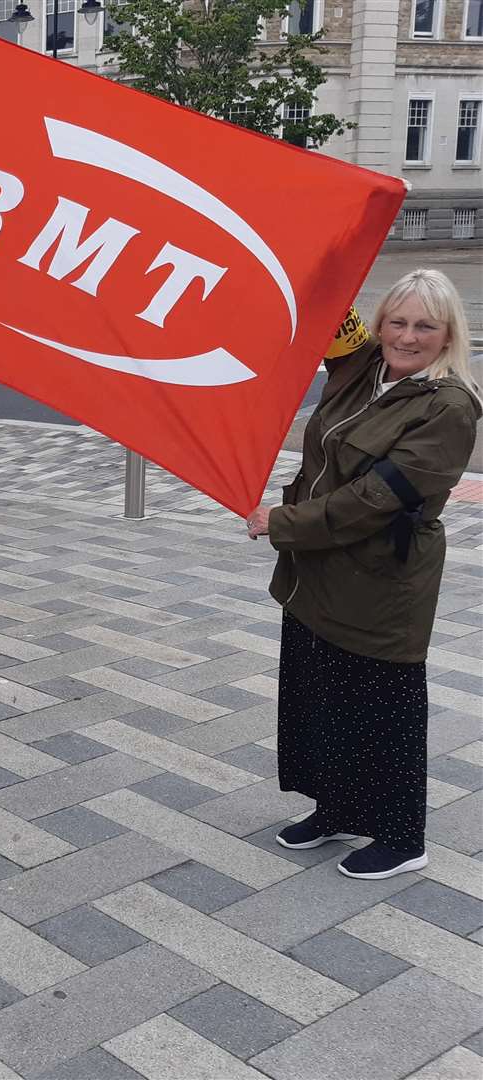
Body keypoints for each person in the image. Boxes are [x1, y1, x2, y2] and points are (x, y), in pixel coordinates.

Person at [248, 269, 480, 880]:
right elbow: (328, 311)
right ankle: (338, 808)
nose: (407, 337)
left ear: (448, 333)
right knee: (320, 697)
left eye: (425, 326)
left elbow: (375, 500)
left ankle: (403, 837)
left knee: (384, 707)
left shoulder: (449, 407)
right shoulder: (361, 368)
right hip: (317, 572)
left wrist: (282, 521)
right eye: (396, 322)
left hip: (380, 579)